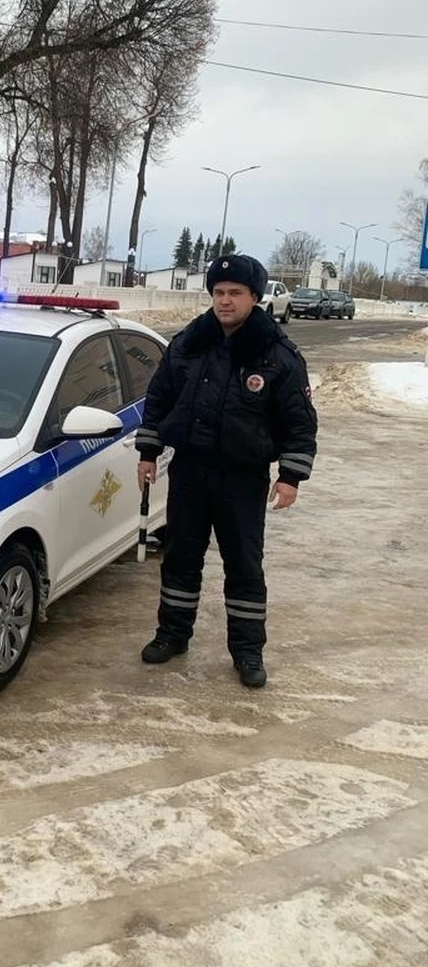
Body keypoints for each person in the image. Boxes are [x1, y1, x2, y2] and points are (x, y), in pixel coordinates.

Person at [134, 254, 318, 688]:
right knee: (180, 556)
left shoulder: (277, 355)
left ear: (254, 297)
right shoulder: (188, 344)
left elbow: (299, 422)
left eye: (235, 293)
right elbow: (159, 400)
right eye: (218, 293)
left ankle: (248, 652)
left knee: (244, 565)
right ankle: (172, 634)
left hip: (243, 477)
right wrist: (148, 451)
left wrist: (290, 477)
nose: (225, 301)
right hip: (190, 471)